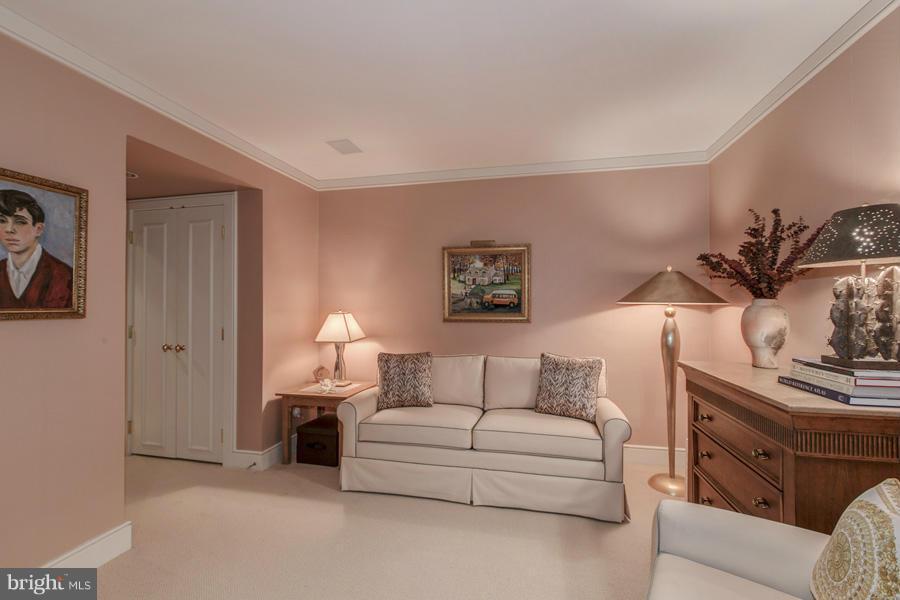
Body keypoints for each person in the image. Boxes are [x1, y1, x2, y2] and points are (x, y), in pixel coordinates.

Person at [0, 189, 73, 309]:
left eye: (20, 222)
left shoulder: (64, 275)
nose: (9, 229)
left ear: (38, 229)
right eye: (1, 221)